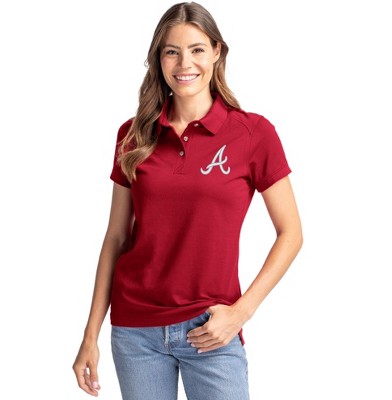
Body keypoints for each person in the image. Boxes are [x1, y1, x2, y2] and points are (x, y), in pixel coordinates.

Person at [72, 2, 303, 399]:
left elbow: (291, 233)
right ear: (158, 59)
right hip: (136, 332)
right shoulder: (133, 135)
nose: (184, 63)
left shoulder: (253, 133)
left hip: (212, 328)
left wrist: (241, 312)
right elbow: (116, 238)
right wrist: (90, 335)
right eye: (171, 51)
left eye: (196, 49)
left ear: (216, 52)